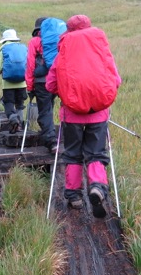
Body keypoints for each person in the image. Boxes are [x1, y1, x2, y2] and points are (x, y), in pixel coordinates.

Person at [46, 15, 121, 218]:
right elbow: (116, 80)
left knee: (72, 154)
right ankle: (97, 187)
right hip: (98, 114)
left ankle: (74, 196)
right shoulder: (101, 50)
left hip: (71, 115)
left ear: (68, 30)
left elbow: (50, 84)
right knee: (96, 153)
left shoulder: (64, 51)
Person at [25, 17, 57, 153]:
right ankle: (51, 132)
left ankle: (51, 141)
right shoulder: (57, 40)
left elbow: (30, 64)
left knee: (45, 110)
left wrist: (30, 86)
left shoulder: (35, 41)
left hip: (41, 82)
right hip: (57, 80)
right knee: (50, 107)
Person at [0, 28, 28, 133]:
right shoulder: (24, 48)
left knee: (8, 103)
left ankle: (13, 120)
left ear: (4, 40)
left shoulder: (3, 49)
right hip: (22, 82)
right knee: (20, 104)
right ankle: (20, 124)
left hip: (8, 84)